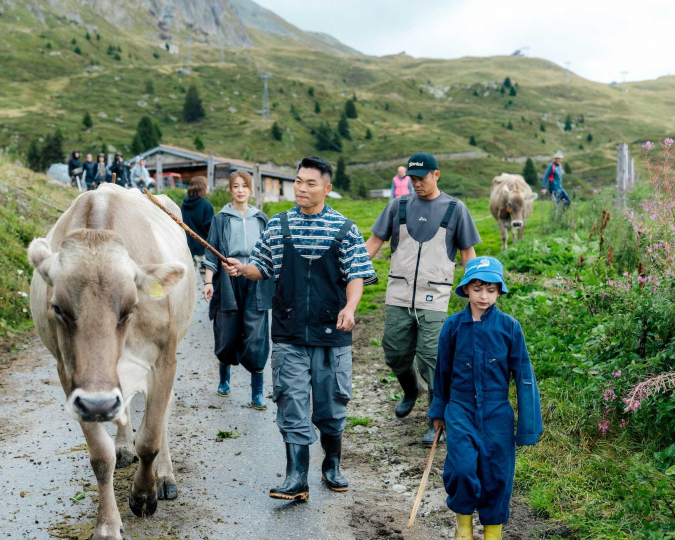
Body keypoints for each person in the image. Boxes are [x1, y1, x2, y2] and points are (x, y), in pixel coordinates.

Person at [224, 156, 377, 501]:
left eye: (310, 182)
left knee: (331, 406)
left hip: (331, 334)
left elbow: (356, 276)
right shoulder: (278, 226)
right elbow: (262, 267)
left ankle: (332, 465)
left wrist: (350, 308)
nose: (301, 188)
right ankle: (297, 477)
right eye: (297, 181)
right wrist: (242, 267)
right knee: (290, 400)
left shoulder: (345, 228)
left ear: (327, 188)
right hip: (289, 333)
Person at [366, 151, 481, 447]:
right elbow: (375, 242)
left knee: (432, 358)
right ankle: (410, 390)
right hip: (399, 293)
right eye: (412, 179)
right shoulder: (398, 205)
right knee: (394, 353)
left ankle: (435, 419)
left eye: (422, 178)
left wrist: (476, 291)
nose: (416, 184)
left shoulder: (456, 209)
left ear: (436, 175)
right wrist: (353, 273)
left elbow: (469, 255)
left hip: (435, 297)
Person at [429, 256, 542, 540]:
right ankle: (463, 526)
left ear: (499, 291)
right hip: (460, 408)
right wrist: (439, 410)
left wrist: (528, 426)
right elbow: (442, 371)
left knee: (497, 475)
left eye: (491, 290)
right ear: (466, 288)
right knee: (462, 468)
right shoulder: (452, 326)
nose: (484, 296)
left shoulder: (509, 328)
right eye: (477, 288)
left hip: (496, 411)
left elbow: (524, 376)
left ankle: (493, 533)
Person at [201, 171, 274, 409]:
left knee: (257, 333)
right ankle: (224, 379)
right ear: (230, 190)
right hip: (228, 281)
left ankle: (257, 392)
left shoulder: (261, 219)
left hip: (255, 280)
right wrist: (209, 281)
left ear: (251, 190)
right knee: (227, 330)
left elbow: (270, 254)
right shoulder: (221, 219)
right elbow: (211, 253)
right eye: (236, 186)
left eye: (245, 186)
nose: (240, 190)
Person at [180, 176, 215, 273]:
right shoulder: (206, 205)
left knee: (189, 280)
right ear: (203, 188)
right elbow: (211, 229)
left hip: (187, 248)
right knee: (207, 282)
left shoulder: (184, 205)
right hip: (202, 250)